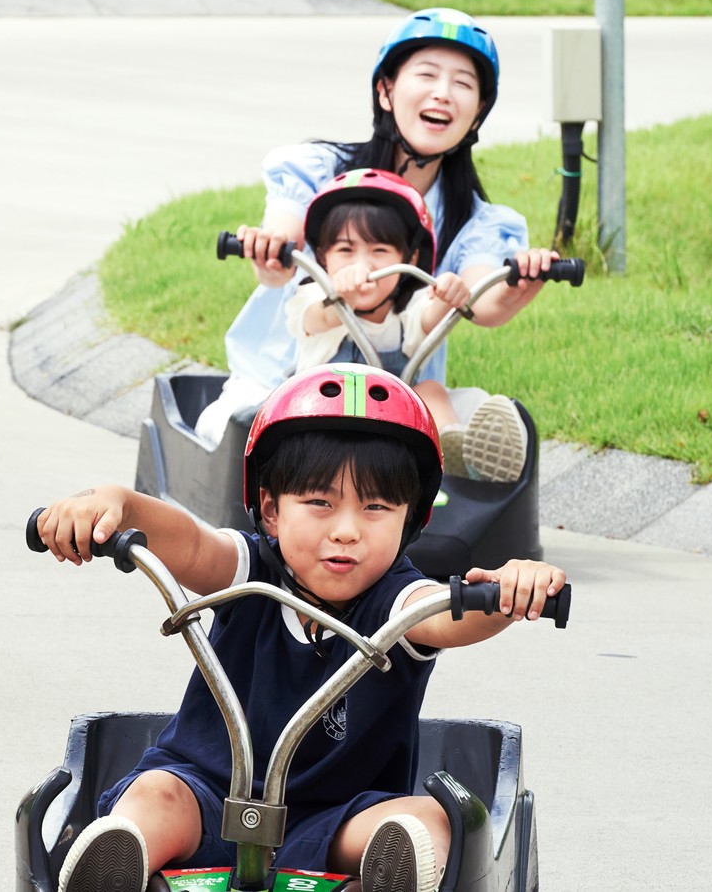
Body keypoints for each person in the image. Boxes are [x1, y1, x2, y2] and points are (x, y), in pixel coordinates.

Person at [33, 364, 567, 892]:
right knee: (156, 794)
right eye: (319, 503)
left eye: (377, 507)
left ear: (411, 518)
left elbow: (447, 616)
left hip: (335, 819)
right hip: (206, 796)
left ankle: (383, 880)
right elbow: (191, 544)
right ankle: (121, 865)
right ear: (270, 509)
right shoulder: (250, 569)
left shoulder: (397, 600)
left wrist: (508, 593)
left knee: (429, 820)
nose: (347, 531)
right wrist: (118, 503)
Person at [204, 8, 563, 480]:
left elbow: (482, 298)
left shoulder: (473, 219)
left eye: (462, 83)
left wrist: (521, 281)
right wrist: (269, 248)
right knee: (241, 433)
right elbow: (282, 246)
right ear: (386, 91)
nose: (443, 92)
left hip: (397, 389)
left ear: (478, 112)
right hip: (284, 379)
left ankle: (459, 468)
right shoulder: (320, 172)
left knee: (465, 407)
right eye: (427, 74)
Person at [206, 167, 527, 481]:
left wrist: (448, 295)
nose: (364, 263)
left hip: (393, 428)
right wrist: (342, 297)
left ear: (410, 259)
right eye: (346, 249)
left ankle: (456, 458)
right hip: (319, 429)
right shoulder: (313, 298)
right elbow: (318, 318)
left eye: (380, 250)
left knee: (430, 390)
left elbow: (430, 319)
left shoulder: (408, 309)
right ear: (323, 257)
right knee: (259, 412)